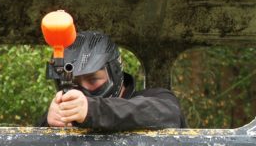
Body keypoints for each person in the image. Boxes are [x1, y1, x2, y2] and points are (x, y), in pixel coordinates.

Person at [41, 30, 185, 130]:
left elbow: (169, 114)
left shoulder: (157, 101)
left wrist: (91, 110)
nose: (83, 92)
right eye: (74, 84)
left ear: (115, 73)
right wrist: (49, 124)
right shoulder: (64, 119)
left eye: (93, 80)